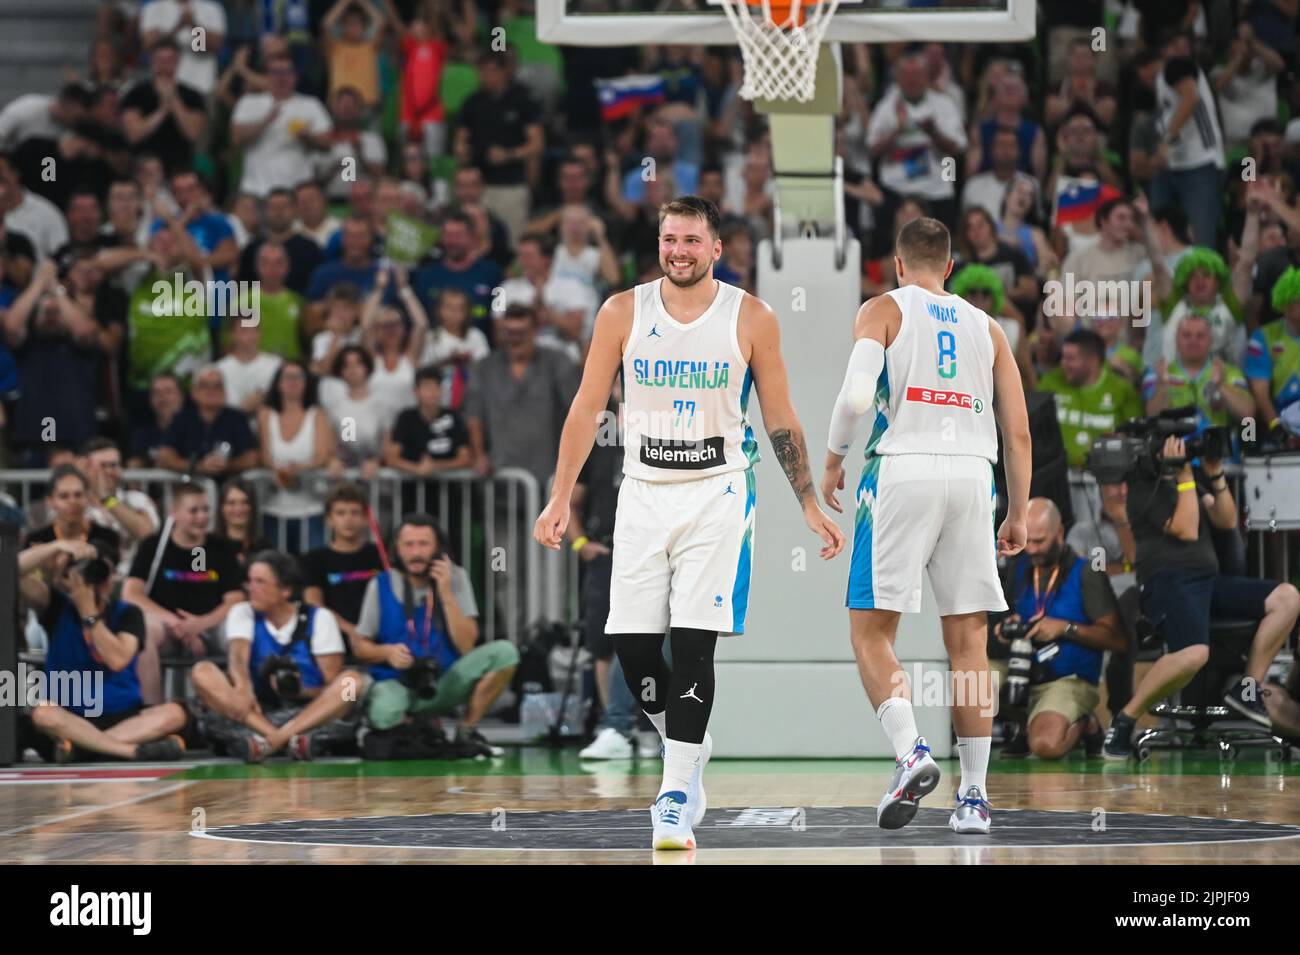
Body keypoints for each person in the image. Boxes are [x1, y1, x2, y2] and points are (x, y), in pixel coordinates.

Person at [534, 195, 844, 850]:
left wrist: (809, 501)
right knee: (635, 646)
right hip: (643, 491)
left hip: (718, 492)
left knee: (695, 641)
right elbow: (588, 408)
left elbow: (781, 418)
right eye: (669, 239)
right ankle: (689, 738)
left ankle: (674, 796)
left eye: (691, 241)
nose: (678, 250)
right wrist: (561, 494)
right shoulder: (623, 311)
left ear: (715, 249)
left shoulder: (751, 316)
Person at [820, 216, 1031, 834]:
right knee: (969, 645)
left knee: (870, 631)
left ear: (897, 263)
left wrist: (833, 459)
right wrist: (1017, 511)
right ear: (949, 267)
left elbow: (858, 395)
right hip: (973, 477)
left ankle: (911, 749)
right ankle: (974, 799)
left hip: (902, 472)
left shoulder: (883, 308)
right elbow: (1017, 433)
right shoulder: (987, 327)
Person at [1104, 436, 1300, 756]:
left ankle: (1247, 690)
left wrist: (1216, 473)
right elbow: (1187, 529)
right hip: (1166, 584)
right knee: (1195, 654)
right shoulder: (1142, 489)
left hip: (1209, 582)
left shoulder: (1192, 483)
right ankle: (1125, 718)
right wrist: (1183, 478)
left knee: (1287, 596)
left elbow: (1226, 521)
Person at [353, 514, 517, 756]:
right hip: (396, 681)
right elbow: (360, 647)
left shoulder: (456, 577)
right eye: (408, 545)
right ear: (396, 549)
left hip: (443, 679)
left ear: (438, 548)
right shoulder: (380, 583)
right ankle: (417, 727)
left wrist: (446, 593)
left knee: (505, 652)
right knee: (385, 714)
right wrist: (386, 652)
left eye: (423, 544)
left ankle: (467, 729)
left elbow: (466, 645)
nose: (415, 552)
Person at [18, 537, 189, 762]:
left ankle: (84, 748)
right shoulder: (56, 606)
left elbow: (117, 659)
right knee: (42, 713)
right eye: (90, 573)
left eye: (102, 573)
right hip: (70, 715)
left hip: (122, 716)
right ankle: (129, 751)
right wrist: (56, 547)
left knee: (175, 713)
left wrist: (88, 611)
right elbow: (9, 571)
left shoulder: (128, 613)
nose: (98, 582)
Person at [191, 551, 364, 761]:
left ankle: (270, 741)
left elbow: (331, 683)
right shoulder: (242, 612)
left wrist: (298, 691)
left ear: (285, 590)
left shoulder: (320, 618)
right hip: (254, 711)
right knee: (202, 671)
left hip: (308, 711)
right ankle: (283, 739)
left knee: (351, 684)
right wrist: (243, 687)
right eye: (249, 581)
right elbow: (237, 658)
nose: (250, 588)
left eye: (260, 582)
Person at [993, 499, 1125, 759]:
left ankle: (1086, 723)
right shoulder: (1021, 569)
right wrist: (1006, 628)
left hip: (1068, 680)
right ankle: (1023, 727)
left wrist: (1066, 628)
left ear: (1060, 534)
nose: (1031, 549)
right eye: (1027, 541)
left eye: (1039, 541)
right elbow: (1005, 620)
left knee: (1046, 746)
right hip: (1025, 673)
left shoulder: (1086, 573)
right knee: (972, 683)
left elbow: (1118, 640)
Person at [123, 483, 245, 705]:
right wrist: (176, 623)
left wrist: (200, 624)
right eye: (193, 511)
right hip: (167, 626)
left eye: (206, 510)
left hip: (211, 627)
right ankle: (152, 711)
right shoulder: (153, 545)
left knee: (240, 630)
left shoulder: (222, 547)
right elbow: (131, 594)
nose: (202, 517)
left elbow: (235, 599)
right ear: (174, 513)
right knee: (143, 631)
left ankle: (240, 706)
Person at [302, 483, 385, 655]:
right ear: (329, 519)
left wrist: (365, 633)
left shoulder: (380, 555)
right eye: (340, 513)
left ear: (364, 518)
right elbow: (314, 604)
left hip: (378, 639)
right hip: (332, 641)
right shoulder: (314, 558)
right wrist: (351, 630)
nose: (348, 520)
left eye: (355, 513)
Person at [80, 437, 162, 578]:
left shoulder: (138, 500)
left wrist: (108, 500)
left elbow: (147, 534)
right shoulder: (76, 504)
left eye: (114, 465)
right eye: (103, 466)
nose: (110, 471)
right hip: (90, 580)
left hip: (134, 580)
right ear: (87, 469)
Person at [214, 476, 272, 569]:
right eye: (231, 503)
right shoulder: (207, 547)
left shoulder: (265, 549)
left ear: (252, 506)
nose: (238, 509)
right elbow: (187, 577)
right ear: (221, 508)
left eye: (245, 502)